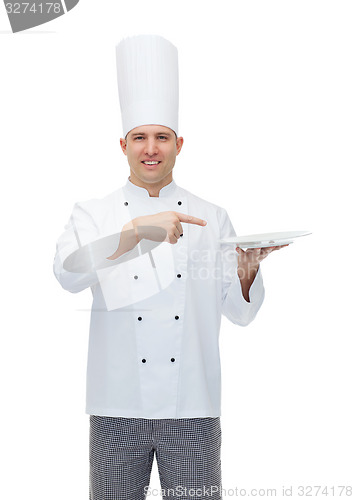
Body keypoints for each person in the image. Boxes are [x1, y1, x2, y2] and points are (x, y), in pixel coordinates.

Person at [53, 35, 286, 500]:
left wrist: (247, 272)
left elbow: (238, 315)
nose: (151, 148)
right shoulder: (93, 212)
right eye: (140, 137)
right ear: (123, 144)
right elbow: (67, 275)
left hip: (193, 407)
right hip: (116, 405)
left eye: (162, 137)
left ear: (180, 143)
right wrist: (136, 232)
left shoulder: (212, 215)